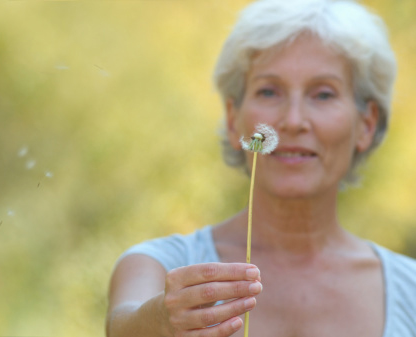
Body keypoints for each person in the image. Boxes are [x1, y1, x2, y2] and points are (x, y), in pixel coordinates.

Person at [106, 0, 416, 336]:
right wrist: (161, 323)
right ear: (232, 118)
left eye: (323, 95)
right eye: (269, 91)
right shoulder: (161, 265)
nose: (293, 120)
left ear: (366, 124)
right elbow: (124, 324)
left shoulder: (409, 290)